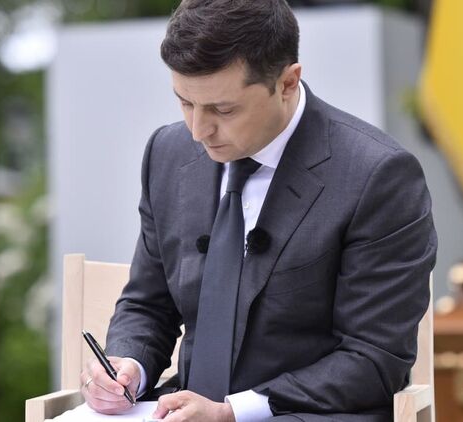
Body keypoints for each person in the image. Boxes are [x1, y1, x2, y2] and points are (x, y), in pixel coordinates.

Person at [80, 1, 437, 421]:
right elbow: (147, 304)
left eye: (223, 109)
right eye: (185, 102)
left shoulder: (377, 175)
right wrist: (128, 368)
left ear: (287, 82)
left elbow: (373, 360)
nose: (198, 131)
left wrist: (231, 412)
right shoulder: (166, 153)